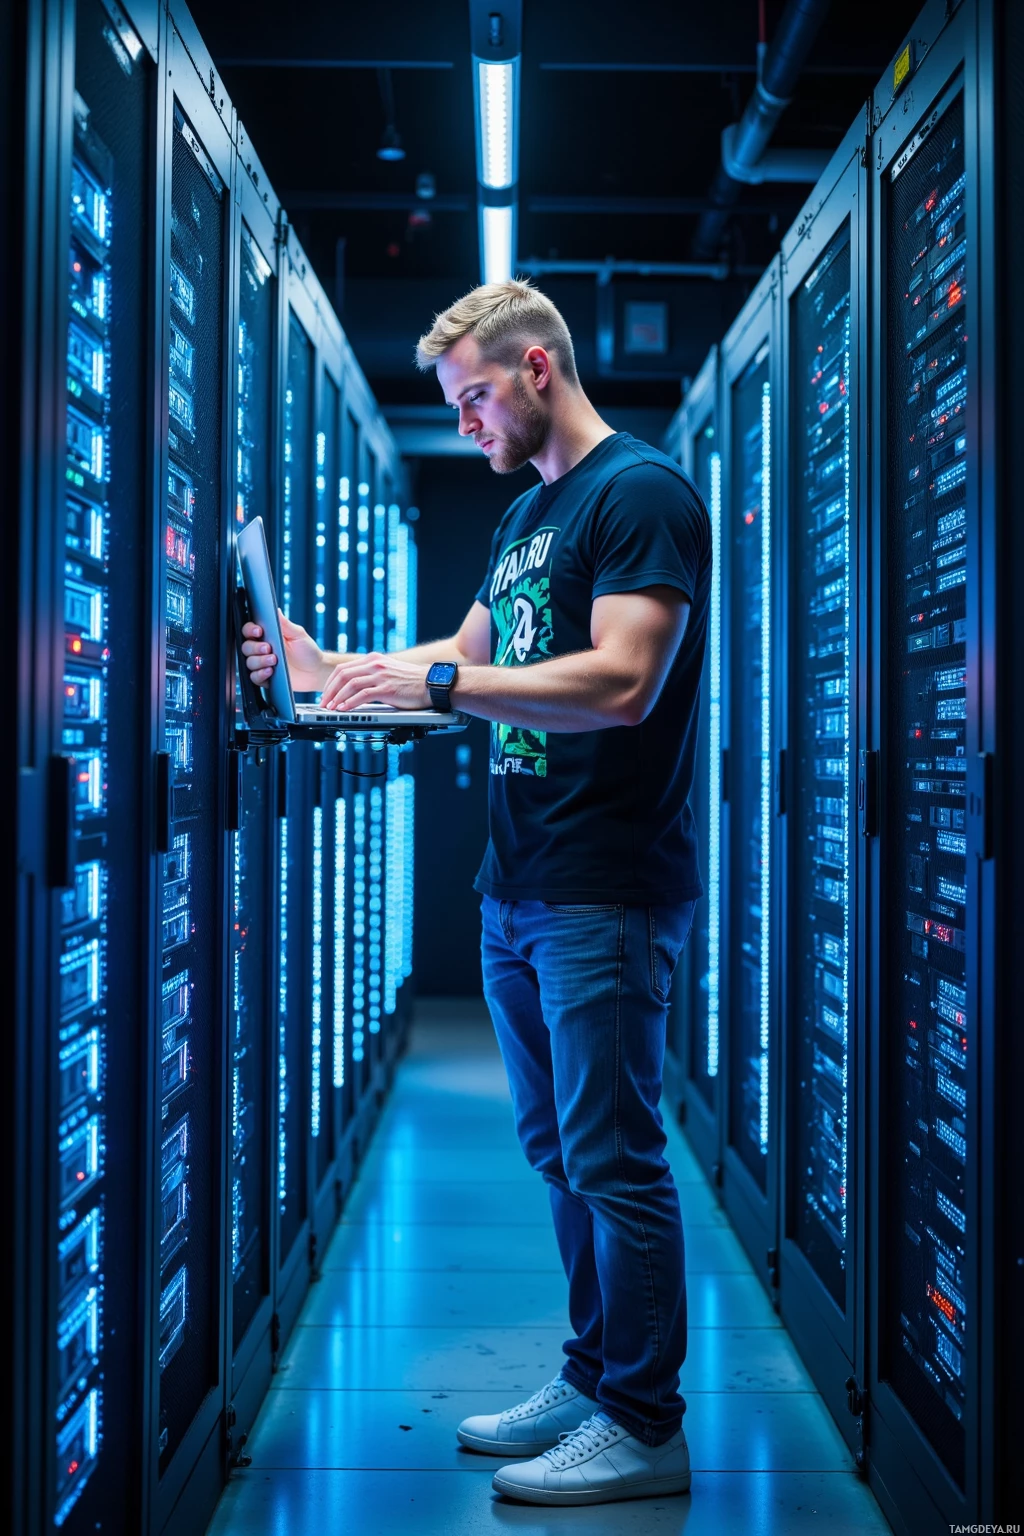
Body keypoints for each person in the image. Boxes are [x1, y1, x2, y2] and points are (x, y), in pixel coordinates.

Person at [241, 278, 711, 1507]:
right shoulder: (524, 524)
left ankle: (646, 1423)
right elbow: (459, 658)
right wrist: (327, 661)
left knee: (615, 1158)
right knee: (560, 1153)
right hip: (520, 885)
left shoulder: (639, 494)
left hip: (604, 887)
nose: (465, 428)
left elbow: (620, 682)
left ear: (538, 369)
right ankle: (596, 1373)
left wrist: (440, 691)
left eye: (473, 399)